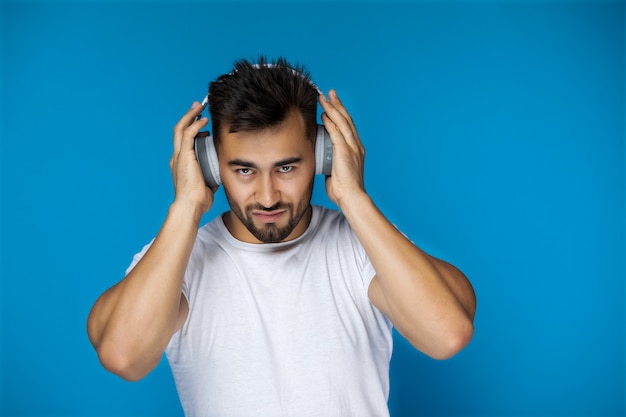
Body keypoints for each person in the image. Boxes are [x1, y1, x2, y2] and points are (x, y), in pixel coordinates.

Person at [87, 57, 476, 417]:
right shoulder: (177, 261)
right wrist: (186, 206)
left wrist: (354, 197)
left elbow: (447, 335)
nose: (268, 196)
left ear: (325, 154)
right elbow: (123, 356)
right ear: (210, 165)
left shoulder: (361, 247)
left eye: (287, 167)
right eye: (243, 171)